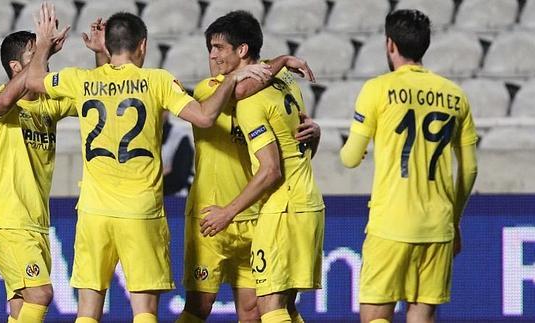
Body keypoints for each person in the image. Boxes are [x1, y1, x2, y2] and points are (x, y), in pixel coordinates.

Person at [25, 4, 271, 323]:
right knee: (144, 311)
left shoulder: (80, 80)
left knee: (87, 311)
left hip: (94, 211)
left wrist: (44, 41)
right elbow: (206, 116)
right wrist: (234, 76)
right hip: (140, 212)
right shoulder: (157, 81)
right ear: (143, 45)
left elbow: (33, 80)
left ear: (109, 46)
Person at [177, 11, 319, 323]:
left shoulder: (271, 84)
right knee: (199, 307)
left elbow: (290, 133)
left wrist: (315, 132)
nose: (212, 55)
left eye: (218, 48)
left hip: (252, 210)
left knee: (255, 310)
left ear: (242, 51)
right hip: (211, 214)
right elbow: (239, 90)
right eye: (209, 48)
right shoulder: (207, 90)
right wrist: (281, 60)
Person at [340, 9, 478, 323]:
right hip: (437, 225)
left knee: (376, 315)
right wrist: (453, 221)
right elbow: (469, 170)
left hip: (391, 223)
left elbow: (349, 158)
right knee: (422, 315)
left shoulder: (377, 89)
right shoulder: (456, 96)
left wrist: (357, 149)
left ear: (390, 44)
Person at [0, 29, 74, 322]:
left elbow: (92, 96)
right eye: (36, 56)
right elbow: (6, 100)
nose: (44, 62)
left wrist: (100, 52)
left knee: (22, 306)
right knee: (41, 294)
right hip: (7, 221)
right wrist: (44, 49)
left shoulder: (49, 105)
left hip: (36, 224)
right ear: (16, 68)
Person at [161, 111, 194, 196]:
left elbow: (180, 176)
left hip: (175, 198)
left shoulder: (180, 137)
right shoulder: (141, 137)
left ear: (167, 112)